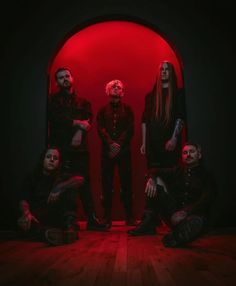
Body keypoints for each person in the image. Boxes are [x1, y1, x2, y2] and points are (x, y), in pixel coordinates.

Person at [48, 67, 106, 231]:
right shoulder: (53, 100)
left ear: (72, 78)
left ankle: (92, 219)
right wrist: (77, 123)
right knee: (64, 182)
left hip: (79, 149)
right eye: (60, 78)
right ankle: (68, 220)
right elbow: (56, 119)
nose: (64, 79)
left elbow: (87, 120)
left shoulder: (83, 102)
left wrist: (79, 132)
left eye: (67, 76)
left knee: (84, 182)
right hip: (60, 148)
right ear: (57, 82)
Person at [128, 142, 216, 247]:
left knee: (196, 221)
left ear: (199, 155)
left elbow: (206, 199)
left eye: (192, 152)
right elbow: (154, 170)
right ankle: (149, 223)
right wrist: (152, 179)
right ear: (182, 157)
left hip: (192, 214)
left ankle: (175, 237)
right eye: (185, 152)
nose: (188, 155)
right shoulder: (178, 171)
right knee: (155, 186)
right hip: (174, 215)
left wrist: (186, 212)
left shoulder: (207, 175)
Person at [17, 147, 84, 245]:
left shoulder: (61, 176)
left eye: (55, 158)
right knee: (24, 222)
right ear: (43, 160)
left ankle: (69, 229)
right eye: (48, 157)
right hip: (39, 216)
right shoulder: (32, 177)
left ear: (58, 162)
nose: (52, 160)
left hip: (56, 215)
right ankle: (51, 235)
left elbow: (80, 180)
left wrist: (60, 187)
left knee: (70, 188)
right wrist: (26, 212)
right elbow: (23, 199)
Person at [96, 79, 136, 228]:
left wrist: (118, 144)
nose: (115, 87)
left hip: (124, 151)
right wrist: (110, 144)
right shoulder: (101, 110)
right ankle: (106, 217)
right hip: (107, 152)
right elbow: (100, 129)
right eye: (113, 86)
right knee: (107, 184)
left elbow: (130, 129)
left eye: (118, 86)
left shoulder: (128, 109)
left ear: (122, 92)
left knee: (127, 184)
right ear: (107, 91)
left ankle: (130, 217)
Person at [140, 60, 186, 168]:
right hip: (152, 144)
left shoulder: (178, 94)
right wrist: (144, 143)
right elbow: (144, 120)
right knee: (154, 179)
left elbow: (180, 117)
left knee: (170, 175)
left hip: (169, 143)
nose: (164, 72)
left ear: (171, 73)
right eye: (162, 69)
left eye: (167, 70)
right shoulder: (150, 96)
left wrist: (174, 138)